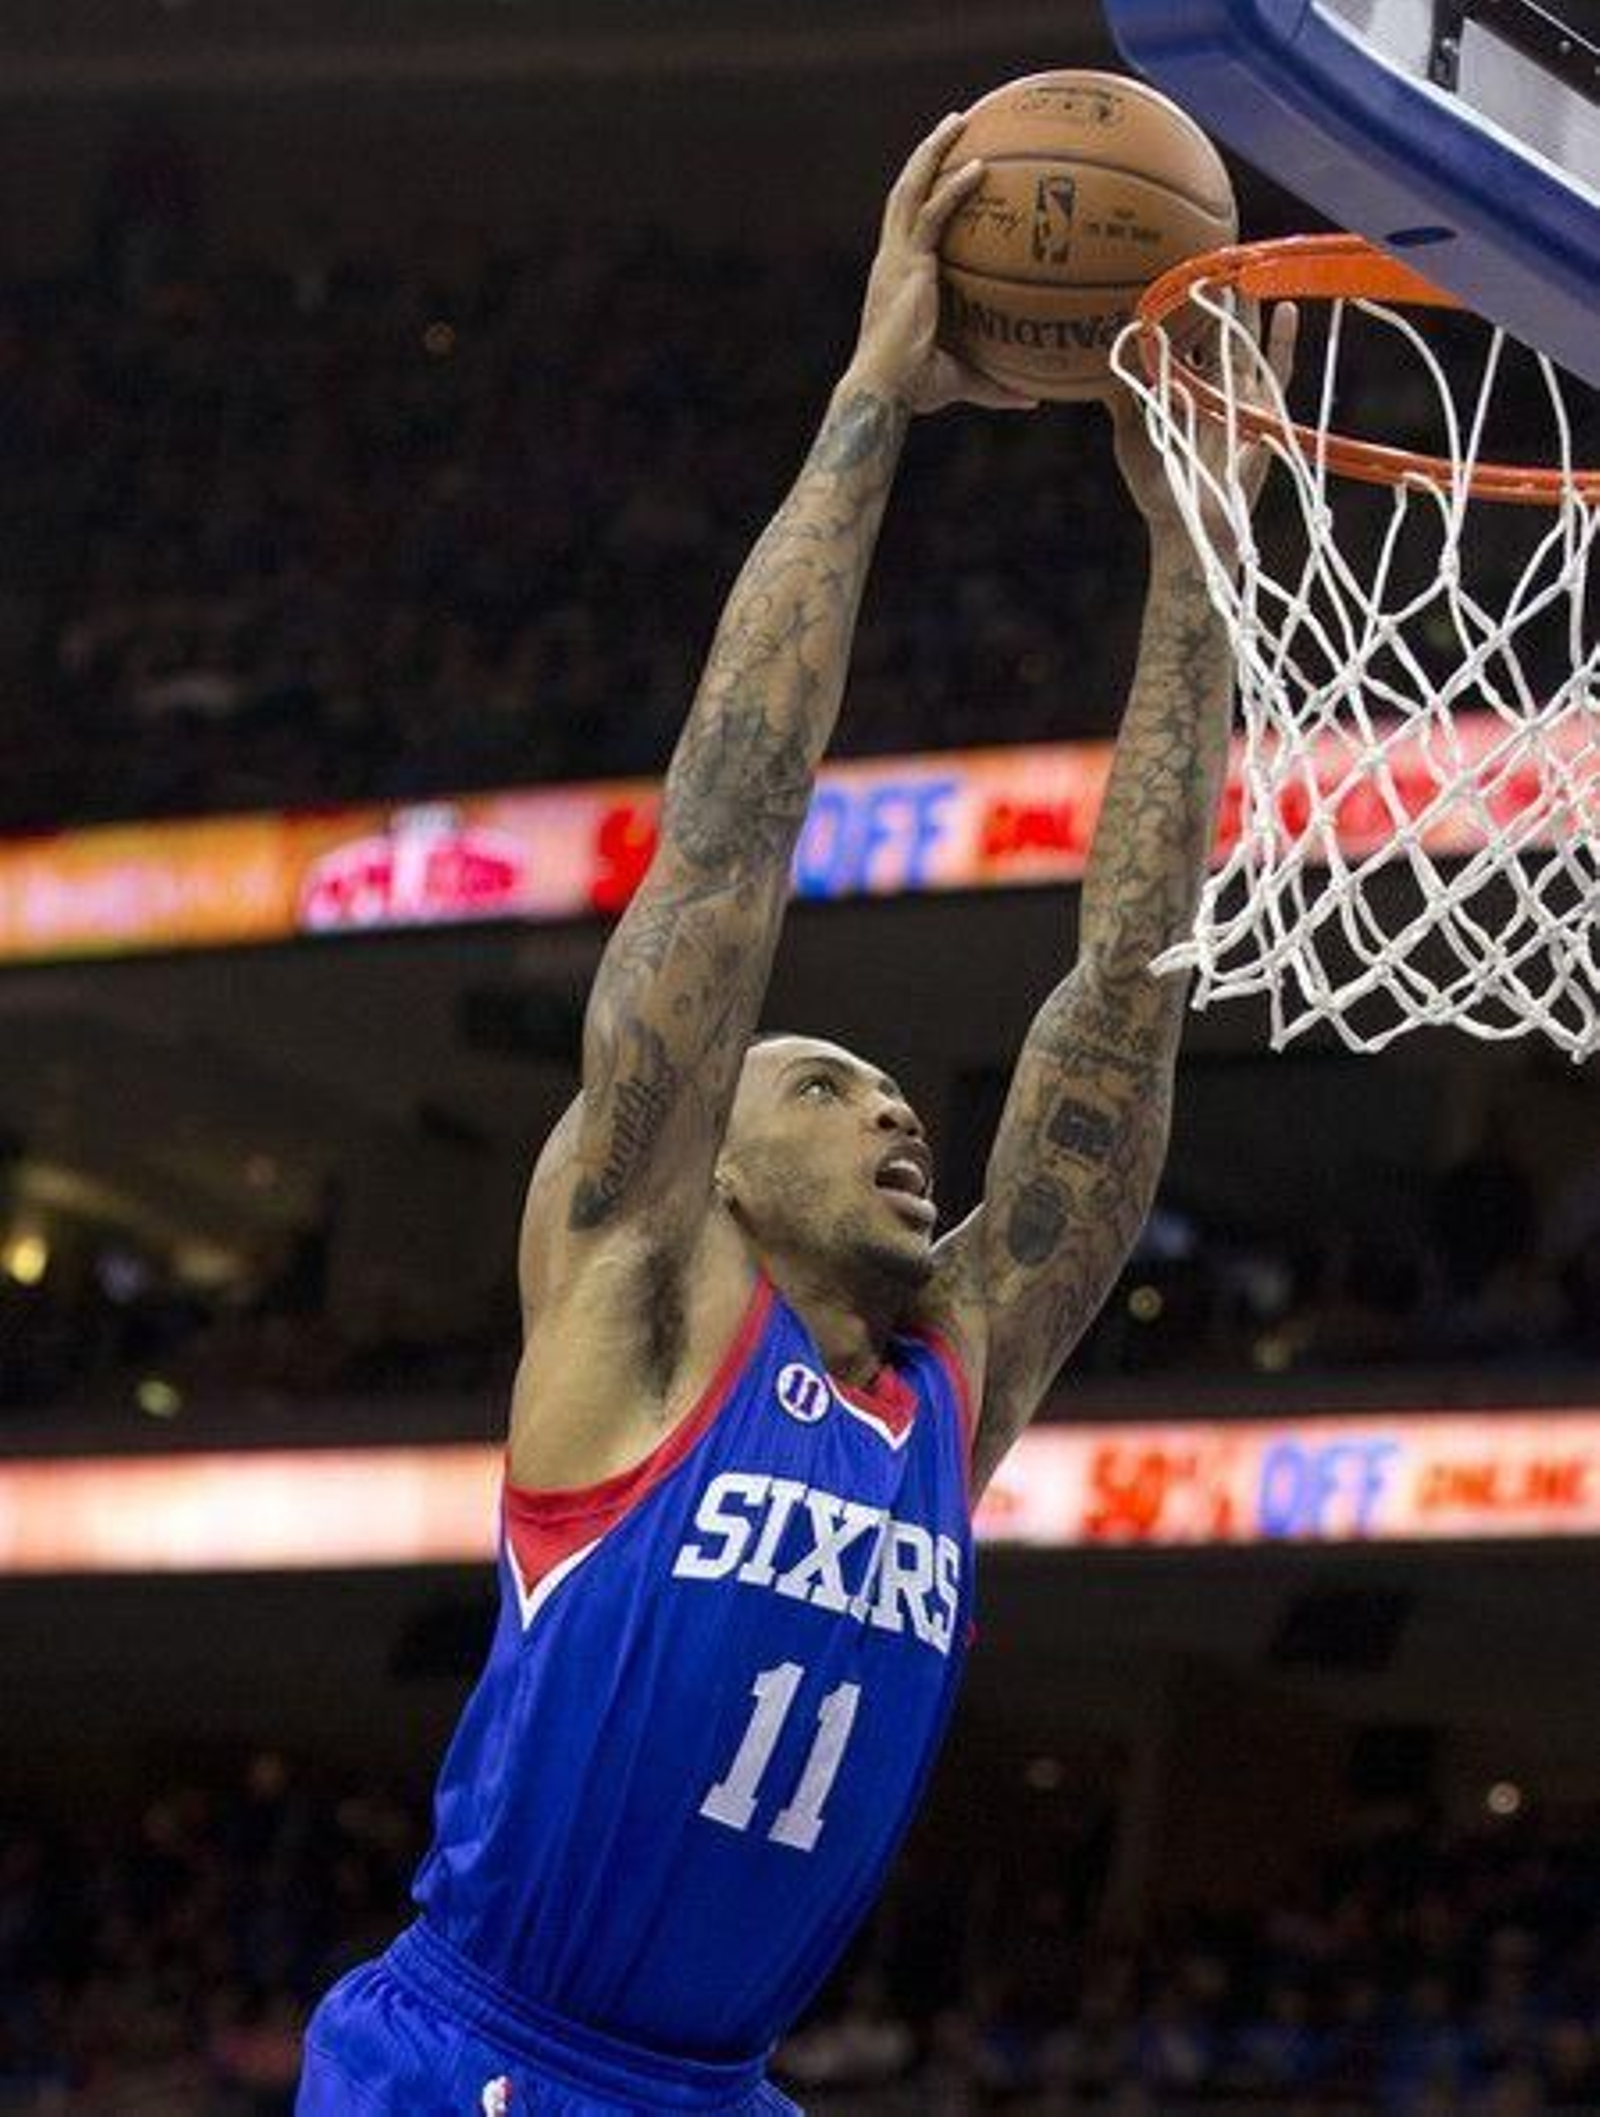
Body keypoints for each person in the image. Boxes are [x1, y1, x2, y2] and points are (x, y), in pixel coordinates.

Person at [297, 111, 1293, 2117]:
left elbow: (1126, 979)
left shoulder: (956, 1381)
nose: (894, 1114)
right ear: (718, 1170)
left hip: (727, 2089)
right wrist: (869, 407)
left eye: (893, 1091)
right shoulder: (638, 1309)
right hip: (483, 2060)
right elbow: (732, 839)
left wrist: (1198, 559)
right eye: (829, 1088)